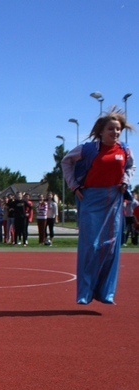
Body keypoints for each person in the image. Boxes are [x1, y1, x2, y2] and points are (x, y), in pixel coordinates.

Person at [61, 108, 134, 304]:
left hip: (114, 199)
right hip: (91, 198)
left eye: (118, 129)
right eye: (111, 129)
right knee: (91, 246)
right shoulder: (87, 149)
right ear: (101, 131)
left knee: (110, 246)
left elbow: (130, 167)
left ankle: (105, 293)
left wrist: (125, 181)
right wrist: (74, 185)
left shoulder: (125, 150)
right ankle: (85, 293)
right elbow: (66, 161)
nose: (116, 132)